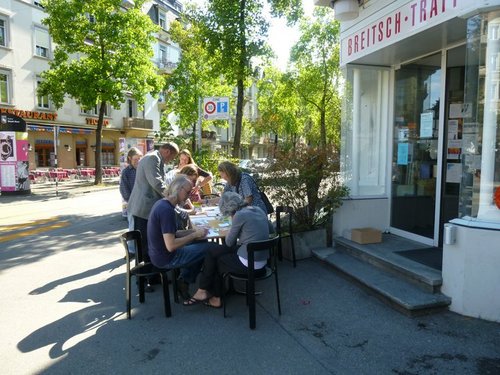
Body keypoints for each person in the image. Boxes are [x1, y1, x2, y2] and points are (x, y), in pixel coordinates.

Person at [185, 191, 271, 308]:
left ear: (228, 210)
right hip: (263, 261)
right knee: (213, 252)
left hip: (250, 264)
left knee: (216, 259)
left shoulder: (239, 215)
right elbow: (271, 230)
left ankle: (214, 297)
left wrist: (233, 225)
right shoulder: (257, 209)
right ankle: (203, 290)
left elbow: (229, 243)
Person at [147, 175, 224, 300]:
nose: (189, 196)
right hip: (166, 258)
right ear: (178, 189)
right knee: (211, 249)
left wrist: (193, 231)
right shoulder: (167, 211)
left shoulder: (162, 203)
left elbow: (174, 233)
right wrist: (194, 235)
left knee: (200, 247)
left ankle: (184, 281)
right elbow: (171, 245)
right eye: (188, 192)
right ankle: (210, 292)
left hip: (159, 254)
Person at [127, 142, 179, 290]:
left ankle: (153, 276)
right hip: (143, 208)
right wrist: (172, 196)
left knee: (150, 242)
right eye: (172, 157)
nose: (171, 161)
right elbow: (156, 183)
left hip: (146, 208)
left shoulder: (154, 158)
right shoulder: (152, 159)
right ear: (167, 151)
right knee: (144, 245)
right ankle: (143, 280)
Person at [119, 147, 143, 254]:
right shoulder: (126, 172)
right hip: (133, 204)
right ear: (129, 158)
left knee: (143, 227)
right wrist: (131, 202)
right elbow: (124, 189)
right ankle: (132, 251)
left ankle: (142, 248)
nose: (137, 161)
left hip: (144, 203)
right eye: (135, 159)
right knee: (133, 227)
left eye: (139, 159)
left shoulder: (143, 169)